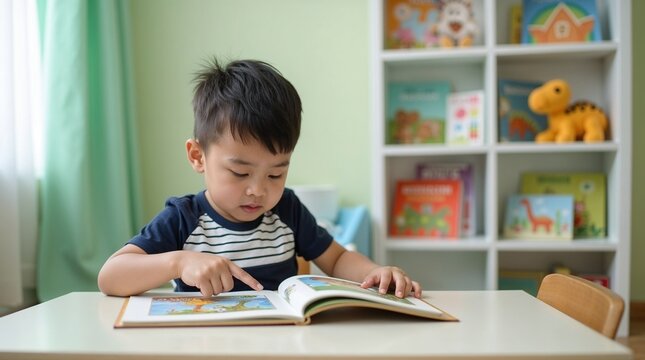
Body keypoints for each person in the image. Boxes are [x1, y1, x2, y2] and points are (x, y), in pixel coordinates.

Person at [97, 59, 421, 299]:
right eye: (240, 172)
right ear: (198, 156)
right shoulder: (183, 219)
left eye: (276, 173)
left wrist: (375, 273)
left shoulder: (287, 210)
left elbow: (336, 258)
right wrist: (177, 263)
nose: (258, 190)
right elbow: (111, 277)